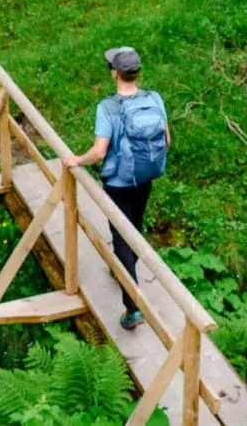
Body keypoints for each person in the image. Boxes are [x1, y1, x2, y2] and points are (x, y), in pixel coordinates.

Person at [62, 46, 170, 330]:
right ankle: (123, 270)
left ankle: (133, 308)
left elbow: (99, 152)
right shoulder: (154, 98)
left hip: (118, 183)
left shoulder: (107, 107)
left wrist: (76, 160)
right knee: (134, 228)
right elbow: (167, 140)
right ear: (137, 73)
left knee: (121, 238)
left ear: (114, 74)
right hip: (145, 178)